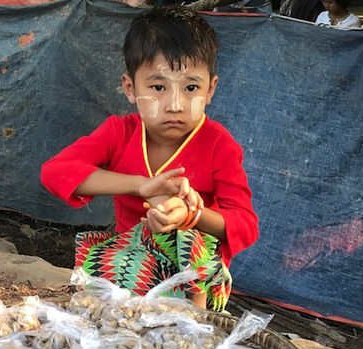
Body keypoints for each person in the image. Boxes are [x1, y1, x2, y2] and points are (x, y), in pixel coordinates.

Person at [41, 7, 259, 311]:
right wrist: (140, 186)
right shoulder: (120, 133)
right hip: (131, 265)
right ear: (130, 88)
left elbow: (245, 224)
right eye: (157, 87)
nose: (174, 104)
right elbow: (56, 172)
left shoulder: (218, 145)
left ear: (211, 89)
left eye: (191, 88)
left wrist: (191, 216)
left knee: (189, 242)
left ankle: (193, 325)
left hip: (195, 281)